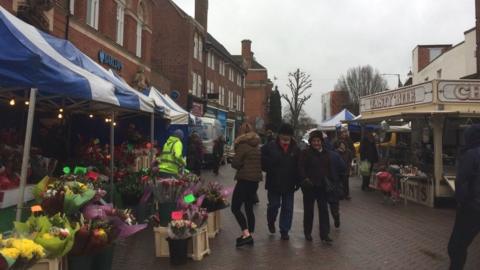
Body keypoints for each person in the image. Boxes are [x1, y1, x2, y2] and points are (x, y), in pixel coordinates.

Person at [299, 130, 345, 244]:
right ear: (310, 142)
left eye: (318, 141)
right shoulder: (305, 153)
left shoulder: (326, 153)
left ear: (321, 141)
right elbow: (300, 168)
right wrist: (305, 179)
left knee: (323, 210)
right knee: (309, 211)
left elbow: (330, 169)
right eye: (314, 141)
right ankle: (307, 232)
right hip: (309, 186)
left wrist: (331, 181)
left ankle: (324, 234)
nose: (316, 143)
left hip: (322, 186)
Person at [448, 124, 480, 270]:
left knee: (456, 246)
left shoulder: (471, 155)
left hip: (472, 208)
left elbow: (462, 182)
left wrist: (461, 202)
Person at [261, 123, 300, 240]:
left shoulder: (295, 148)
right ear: (279, 135)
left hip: (289, 183)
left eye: (288, 135)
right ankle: (271, 220)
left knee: (288, 208)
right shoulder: (270, 146)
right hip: (274, 182)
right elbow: (261, 158)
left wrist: (298, 180)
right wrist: (268, 165)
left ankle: (284, 230)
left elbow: (299, 165)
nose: (286, 138)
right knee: (274, 205)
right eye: (284, 135)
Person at [231, 123, 262, 247]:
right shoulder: (256, 145)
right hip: (255, 181)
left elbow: (235, 163)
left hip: (244, 180)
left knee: (235, 208)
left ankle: (246, 234)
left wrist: (237, 163)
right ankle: (250, 235)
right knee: (249, 208)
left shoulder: (242, 145)